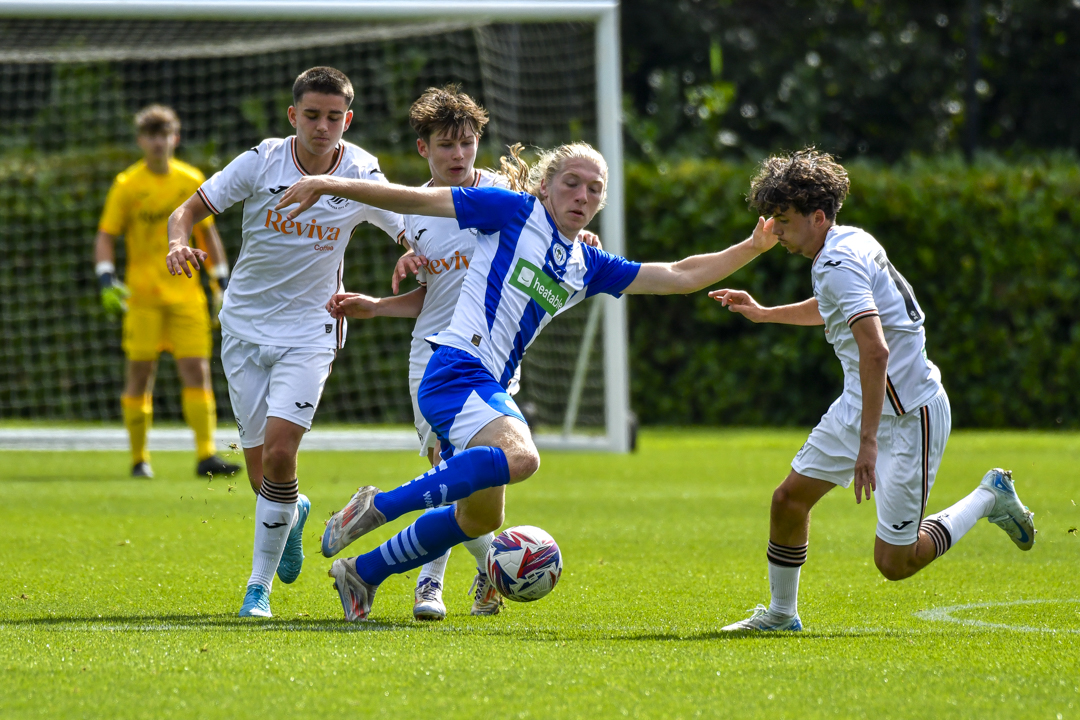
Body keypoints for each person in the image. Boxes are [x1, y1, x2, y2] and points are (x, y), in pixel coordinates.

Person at [274, 140, 778, 621]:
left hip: (484, 383)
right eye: (571, 183)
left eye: (594, 189)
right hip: (456, 368)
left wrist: (754, 247)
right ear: (544, 186)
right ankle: (377, 506)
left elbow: (680, 274)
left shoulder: (586, 264)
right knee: (523, 457)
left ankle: (362, 573)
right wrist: (328, 182)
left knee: (480, 520)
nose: (582, 196)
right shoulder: (514, 211)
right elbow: (414, 199)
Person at [709, 148, 1036, 632]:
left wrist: (867, 444)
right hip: (862, 403)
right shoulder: (847, 243)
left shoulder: (837, 262)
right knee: (788, 501)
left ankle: (990, 496)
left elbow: (876, 351)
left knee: (895, 562)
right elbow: (834, 308)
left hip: (908, 416)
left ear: (818, 217)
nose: (776, 232)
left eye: (785, 220)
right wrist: (765, 313)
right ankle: (780, 615)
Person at [328, 85, 599, 621]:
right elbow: (432, 297)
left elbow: (553, 234)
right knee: (453, 471)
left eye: (467, 143)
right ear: (423, 148)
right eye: (446, 145)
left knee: (483, 491)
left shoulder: (504, 194)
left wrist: (579, 241)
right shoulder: (416, 216)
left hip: (495, 360)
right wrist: (378, 307)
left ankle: (466, 571)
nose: (458, 155)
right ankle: (439, 581)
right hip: (436, 355)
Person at [164, 67, 406, 618]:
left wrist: (413, 250)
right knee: (263, 478)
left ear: (348, 120)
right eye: (312, 115)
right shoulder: (263, 160)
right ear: (293, 115)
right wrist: (178, 242)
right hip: (244, 329)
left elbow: (407, 222)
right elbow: (188, 211)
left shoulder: (361, 170)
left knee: (279, 453)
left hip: (311, 331)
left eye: (333, 117)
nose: (322, 127)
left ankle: (258, 589)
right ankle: (294, 511)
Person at [94, 104, 240, 480]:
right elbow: (106, 235)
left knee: (197, 371)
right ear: (141, 140)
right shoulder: (127, 185)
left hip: (186, 296)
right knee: (140, 374)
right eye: (151, 135)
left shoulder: (190, 179)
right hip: (143, 297)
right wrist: (106, 277)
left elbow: (207, 235)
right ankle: (139, 459)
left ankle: (206, 456)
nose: (158, 142)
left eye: (164, 134)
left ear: (175, 137)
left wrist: (221, 282)